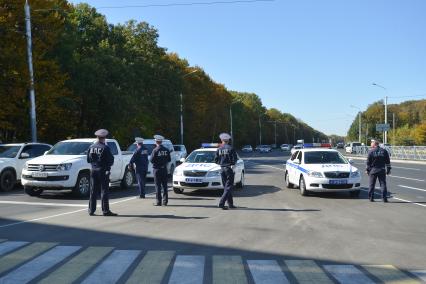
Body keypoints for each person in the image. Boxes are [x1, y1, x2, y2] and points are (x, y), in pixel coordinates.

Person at [87, 129, 117, 216]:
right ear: (104, 138)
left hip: (93, 170)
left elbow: (88, 160)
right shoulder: (105, 147)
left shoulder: (91, 147)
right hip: (103, 171)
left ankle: (91, 210)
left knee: (93, 191)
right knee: (104, 191)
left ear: (97, 137)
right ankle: (105, 210)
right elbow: (111, 161)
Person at [214, 133, 238, 210]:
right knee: (228, 187)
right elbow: (235, 160)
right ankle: (221, 203)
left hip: (222, 169)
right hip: (228, 169)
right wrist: (231, 164)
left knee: (226, 187)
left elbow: (216, 160)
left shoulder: (219, 149)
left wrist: (221, 163)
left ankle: (230, 204)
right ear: (228, 140)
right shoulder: (231, 148)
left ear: (221, 140)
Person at [150, 135, 171, 206]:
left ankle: (158, 202)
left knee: (158, 186)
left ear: (156, 141)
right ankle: (165, 202)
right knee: (165, 186)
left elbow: (151, 160)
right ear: (161, 141)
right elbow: (169, 160)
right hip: (164, 169)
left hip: (157, 170)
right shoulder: (166, 150)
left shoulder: (155, 150)